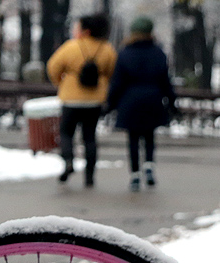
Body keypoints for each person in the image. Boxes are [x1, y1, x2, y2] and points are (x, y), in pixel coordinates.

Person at [46, 14, 118, 188]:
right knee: (90, 137)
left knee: (66, 133)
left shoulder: (71, 47)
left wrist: (61, 82)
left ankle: (69, 161)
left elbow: (53, 67)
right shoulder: (107, 49)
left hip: (71, 99)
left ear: (85, 30)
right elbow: (112, 72)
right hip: (95, 100)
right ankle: (90, 176)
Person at [106, 16, 176, 191]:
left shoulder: (124, 54)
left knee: (133, 138)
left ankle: (135, 175)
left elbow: (117, 83)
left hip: (130, 101)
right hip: (153, 100)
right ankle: (149, 166)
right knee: (150, 136)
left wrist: (110, 104)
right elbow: (165, 81)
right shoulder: (158, 53)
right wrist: (172, 103)